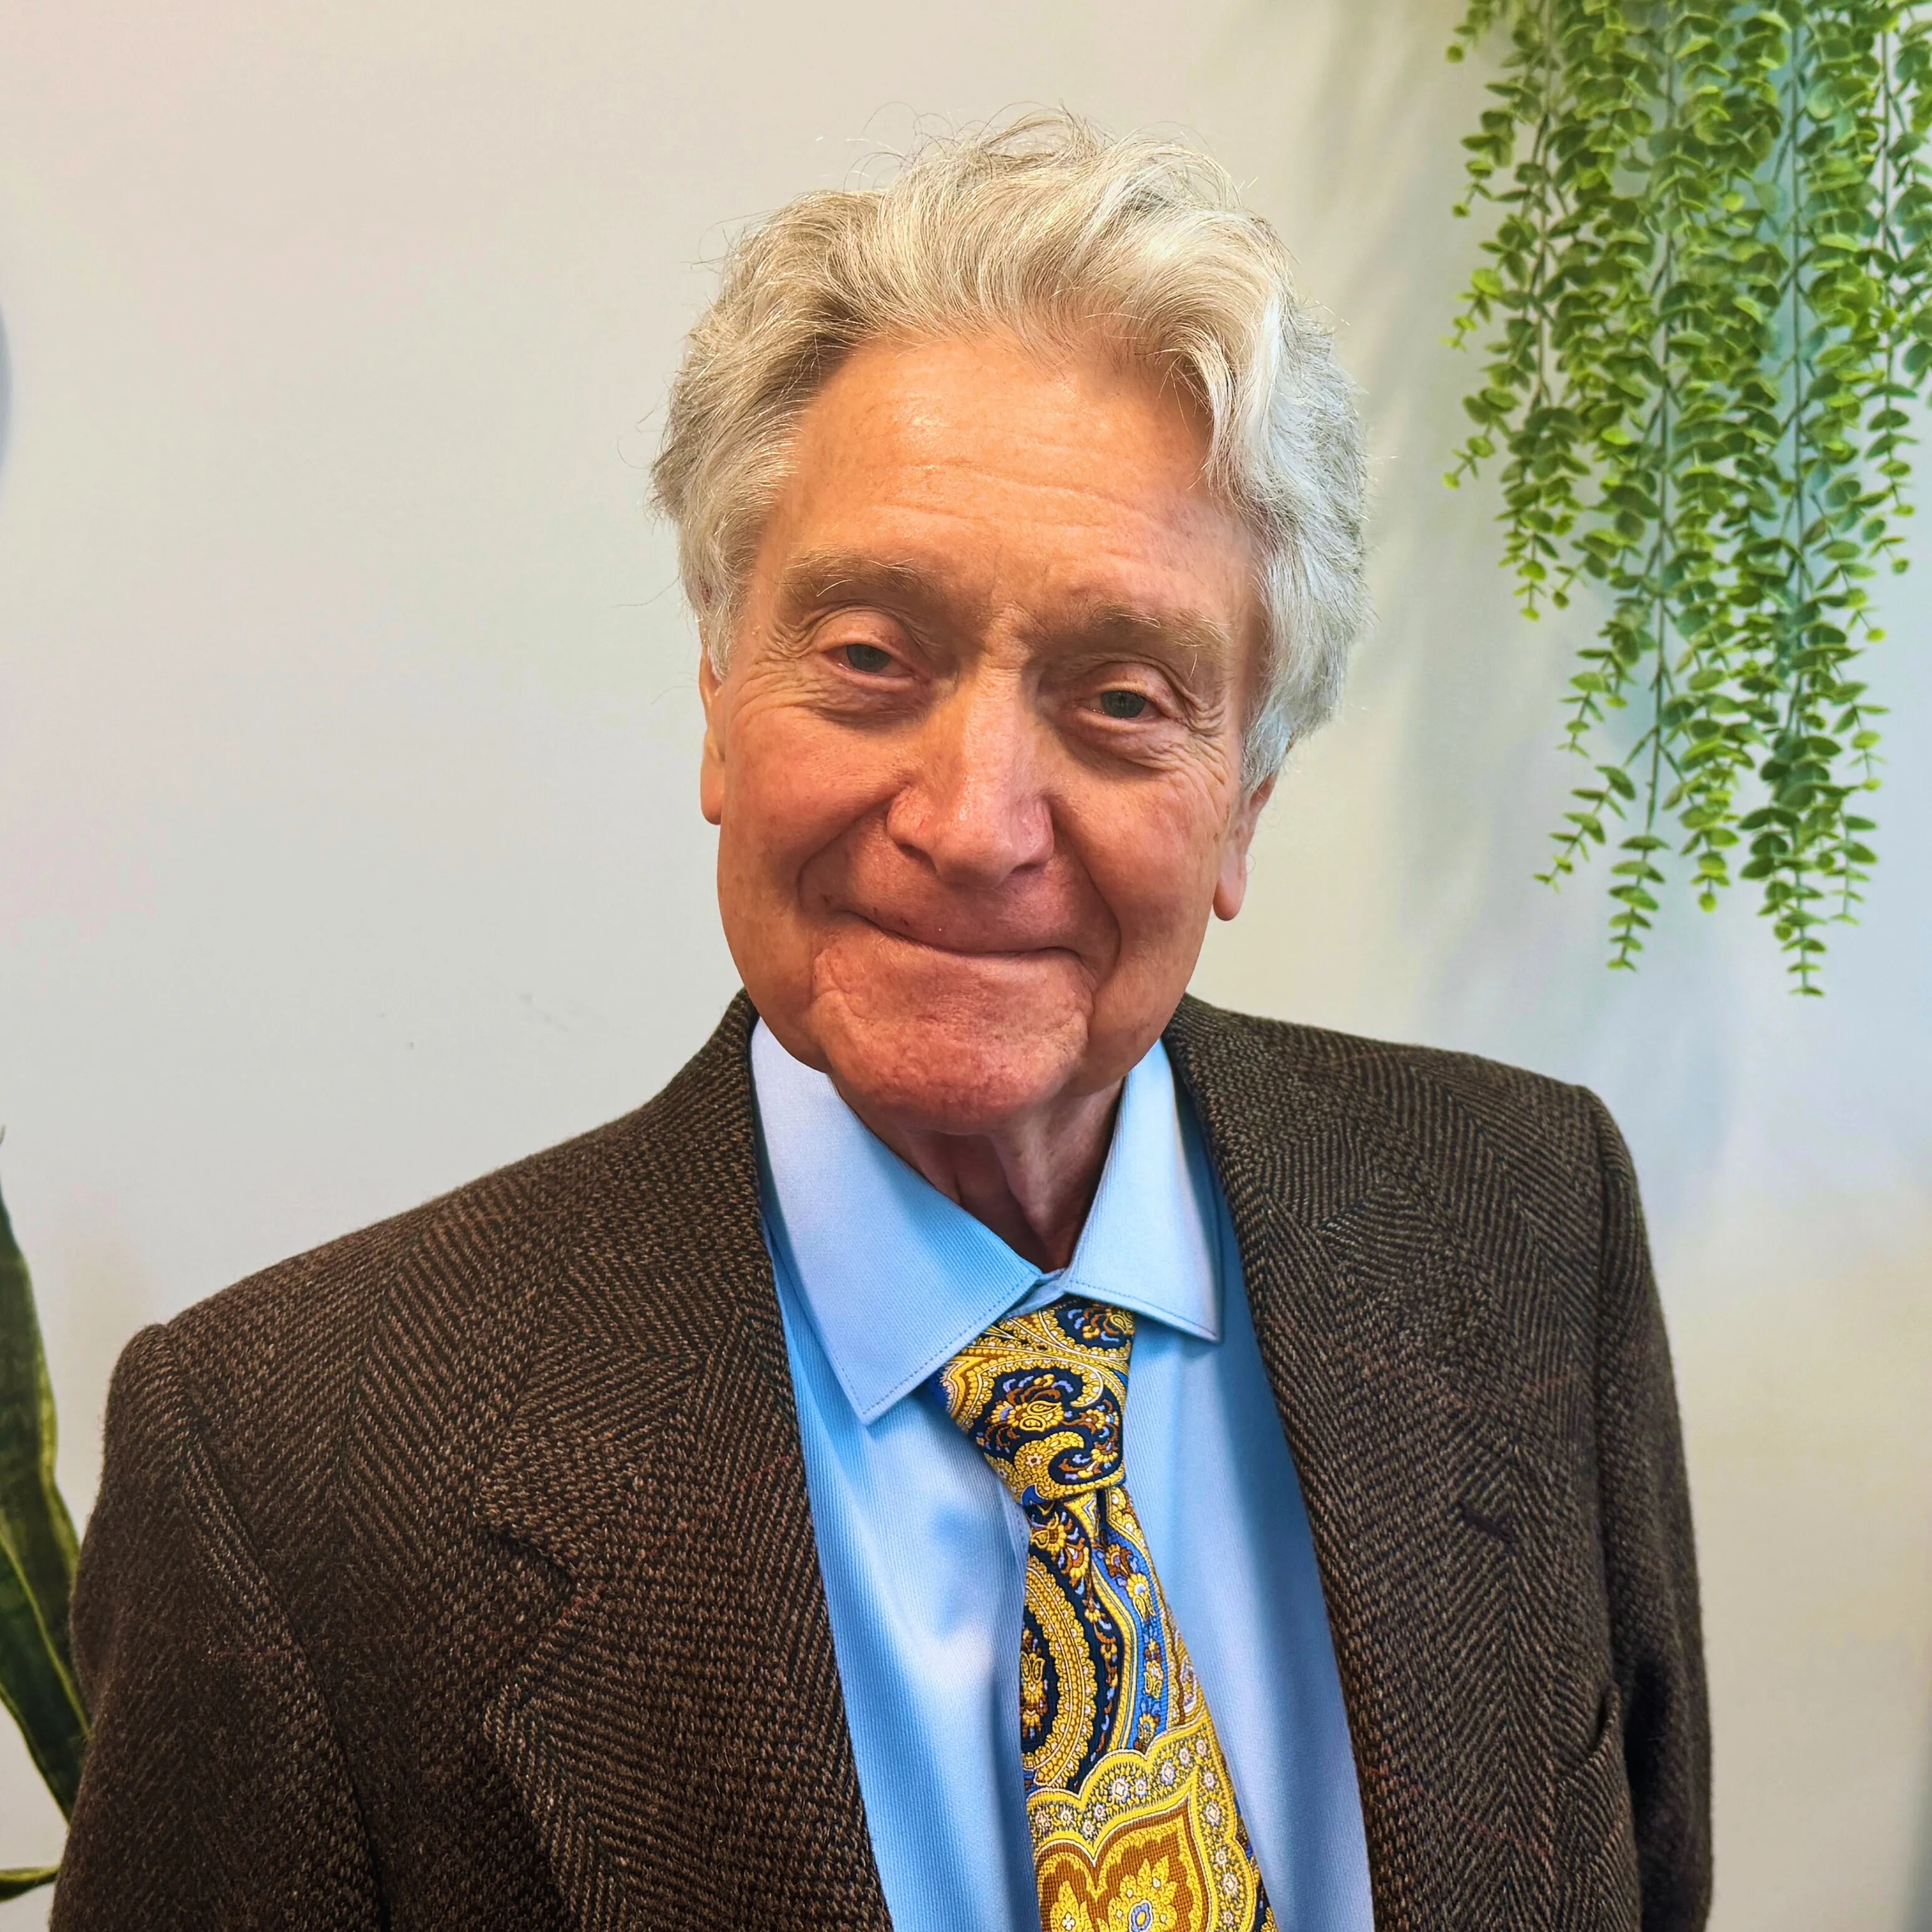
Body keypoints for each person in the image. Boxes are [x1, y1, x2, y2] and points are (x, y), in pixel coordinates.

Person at [52, 114, 1709, 1932]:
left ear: (1244, 795)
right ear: (717, 696)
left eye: (1123, 697)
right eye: (867, 659)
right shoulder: (292, 1470)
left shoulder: (1524, 1218)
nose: (975, 822)